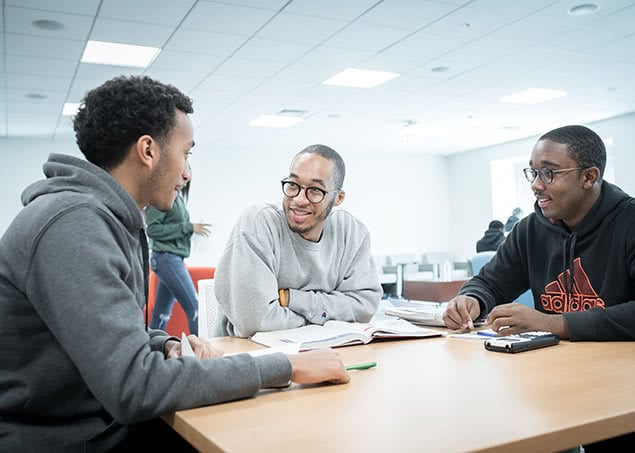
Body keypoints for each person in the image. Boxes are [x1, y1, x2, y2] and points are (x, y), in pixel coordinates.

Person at [0, 75, 349, 452]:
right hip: (63, 440)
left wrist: (163, 343)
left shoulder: (105, 219)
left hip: (95, 424)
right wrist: (286, 366)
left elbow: (109, 338)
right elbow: (134, 387)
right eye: (186, 153)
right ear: (148, 151)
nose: (187, 173)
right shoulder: (73, 225)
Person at [443, 124, 635, 452]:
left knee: (617, 437)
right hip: (562, 377)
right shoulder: (531, 229)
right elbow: (490, 281)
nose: (536, 186)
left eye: (549, 174)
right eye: (533, 172)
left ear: (589, 176)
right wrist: (472, 299)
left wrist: (554, 323)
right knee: (501, 421)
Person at [214, 144, 382, 337]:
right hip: (252, 356)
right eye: (293, 185)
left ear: (338, 198)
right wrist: (326, 321)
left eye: (315, 190)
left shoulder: (352, 232)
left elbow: (364, 308)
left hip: (325, 353)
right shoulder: (259, 223)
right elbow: (257, 323)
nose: (300, 200)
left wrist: (290, 298)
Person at [146, 163, 211, 335]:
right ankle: (205, 357)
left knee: (162, 314)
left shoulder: (177, 198)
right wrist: (188, 227)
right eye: (182, 168)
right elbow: (152, 229)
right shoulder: (161, 197)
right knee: (195, 308)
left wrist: (189, 229)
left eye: (189, 169)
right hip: (166, 259)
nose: (186, 175)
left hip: (172, 258)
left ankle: (152, 353)